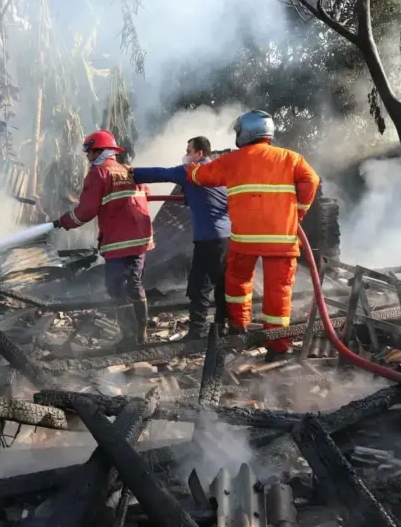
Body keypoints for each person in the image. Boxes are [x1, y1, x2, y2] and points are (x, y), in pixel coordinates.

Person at [185, 110, 320, 362]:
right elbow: (311, 181)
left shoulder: (232, 160)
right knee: (278, 292)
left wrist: (190, 168)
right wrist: (298, 212)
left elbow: (201, 176)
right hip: (281, 240)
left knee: (237, 282)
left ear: (245, 133)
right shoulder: (291, 158)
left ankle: (239, 328)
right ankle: (278, 347)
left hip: (245, 240)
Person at [55, 130, 154, 345]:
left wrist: (65, 221)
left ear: (100, 151)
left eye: (90, 152)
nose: (88, 157)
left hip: (119, 241)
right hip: (141, 239)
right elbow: (144, 191)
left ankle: (128, 337)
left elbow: (86, 211)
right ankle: (141, 335)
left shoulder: (99, 173)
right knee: (135, 284)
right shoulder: (128, 170)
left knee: (115, 287)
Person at [130, 136, 230, 340]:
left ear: (199, 154)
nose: (186, 155)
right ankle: (219, 327)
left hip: (210, 239)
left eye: (189, 151)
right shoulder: (221, 169)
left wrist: (129, 173)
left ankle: (201, 331)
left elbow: (159, 173)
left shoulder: (191, 172)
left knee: (201, 286)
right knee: (217, 285)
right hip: (226, 238)